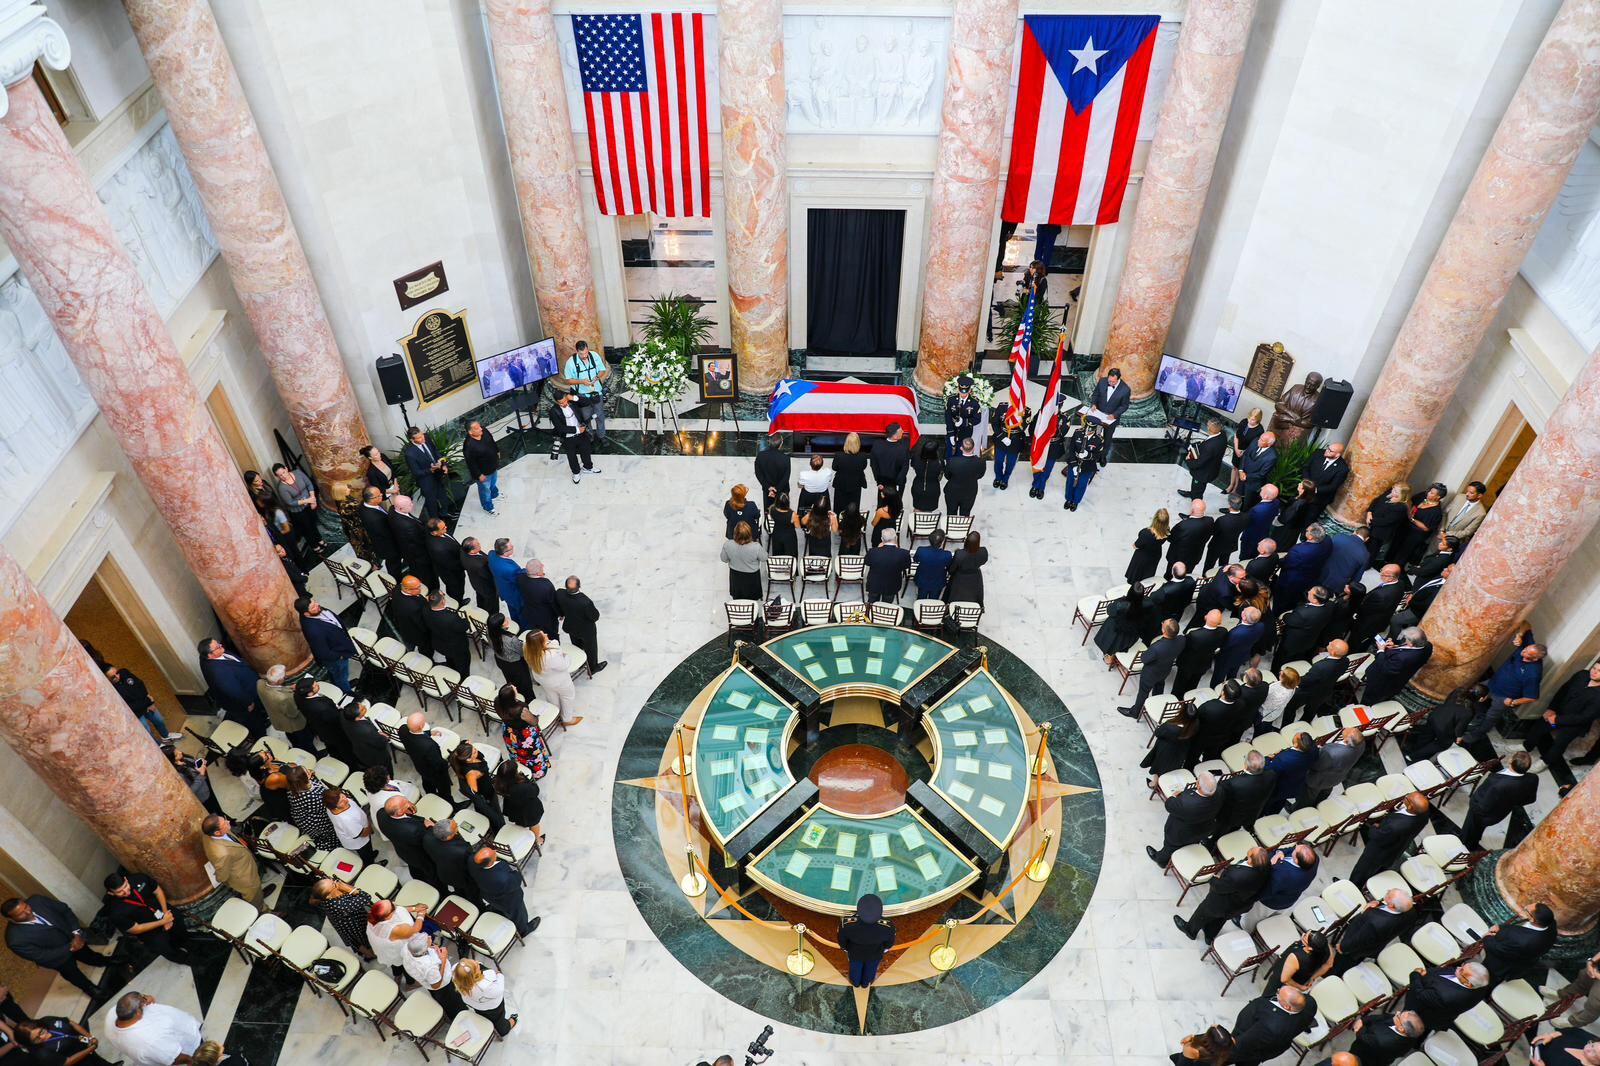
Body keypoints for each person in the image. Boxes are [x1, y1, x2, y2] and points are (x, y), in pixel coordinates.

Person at [2, 896, 110, 998]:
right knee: (73, 974)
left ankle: (102, 961)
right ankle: (89, 988)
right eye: (21, 914)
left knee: (88, 954)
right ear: (11, 919)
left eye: (26, 907)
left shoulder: (38, 900)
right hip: (58, 959)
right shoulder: (15, 940)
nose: (28, 912)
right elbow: (41, 956)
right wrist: (70, 947)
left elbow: (64, 910)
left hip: (73, 937)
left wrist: (76, 933)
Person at [1174, 846, 1270, 943]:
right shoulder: (1265, 867)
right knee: (1220, 918)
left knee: (1202, 913)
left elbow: (1219, 887)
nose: (1250, 849)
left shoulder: (1238, 877)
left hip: (1221, 902)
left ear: (1251, 859)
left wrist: (1213, 878)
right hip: (1238, 905)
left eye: (1250, 852)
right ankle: (1209, 935)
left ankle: (1190, 930)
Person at [1460, 750, 1540, 850]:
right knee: (1477, 831)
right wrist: (1512, 802)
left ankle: (1465, 846)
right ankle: (1473, 840)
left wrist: (1472, 803)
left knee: (1469, 832)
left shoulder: (1497, 784)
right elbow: (1531, 799)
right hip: (1499, 814)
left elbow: (1483, 808)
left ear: (1510, 761)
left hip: (1482, 815)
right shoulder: (1533, 778)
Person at [1348, 793, 1432, 887]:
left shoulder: (1395, 827)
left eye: (1407, 798)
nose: (1405, 797)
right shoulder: (1424, 814)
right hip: (1396, 848)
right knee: (1374, 870)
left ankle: (1352, 887)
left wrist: (1374, 828)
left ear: (1411, 806)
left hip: (1377, 853)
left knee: (1361, 872)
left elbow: (1377, 837)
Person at [1404, 683, 1496, 762]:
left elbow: (1448, 701)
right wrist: (1459, 737)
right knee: (1442, 744)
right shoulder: (1469, 711)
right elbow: (1459, 729)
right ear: (1481, 699)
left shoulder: (1459, 690)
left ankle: (1416, 747)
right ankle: (1413, 756)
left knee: (1427, 734)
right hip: (1444, 727)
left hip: (1435, 715)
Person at [101, 993, 201, 1066]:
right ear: (138, 1013)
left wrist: (145, 998)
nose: (146, 1001)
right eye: (142, 1003)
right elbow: (176, 1058)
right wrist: (190, 1060)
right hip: (193, 1045)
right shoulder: (150, 1041)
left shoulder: (113, 1014)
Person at [1229, 985, 1316, 1066]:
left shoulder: (1270, 1027)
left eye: (1278, 994)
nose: (1276, 991)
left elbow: (1243, 1043)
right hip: (1275, 1043)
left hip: (1250, 1050)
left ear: (1287, 1007)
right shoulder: (1311, 1003)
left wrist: (1229, 1045)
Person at [1147, 771, 1222, 866]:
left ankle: (1161, 860)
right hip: (1204, 829)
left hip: (1180, 834)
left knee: (1169, 846)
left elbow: (1169, 805)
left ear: (1198, 785)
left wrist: (1174, 796)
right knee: (1192, 842)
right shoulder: (1219, 792)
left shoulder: (1186, 803)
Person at [1333, 890, 1415, 974]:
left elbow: (1359, 940)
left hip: (1356, 945)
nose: (1387, 891)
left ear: (1391, 905)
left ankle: (1332, 973)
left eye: (1389, 894)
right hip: (1376, 942)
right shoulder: (1410, 911)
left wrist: (1343, 947)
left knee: (1342, 962)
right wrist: (1379, 904)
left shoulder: (1376, 923)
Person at [98, 660, 178, 743]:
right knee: (147, 730)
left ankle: (166, 736)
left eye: (117, 673)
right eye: (113, 677)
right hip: (135, 712)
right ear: (106, 679)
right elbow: (127, 706)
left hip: (145, 703)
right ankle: (158, 746)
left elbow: (140, 685)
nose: (117, 677)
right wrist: (146, 702)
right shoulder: (110, 690)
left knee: (159, 720)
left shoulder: (124, 673)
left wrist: (149, 703)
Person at [198, 638, 264, 738]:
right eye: (217, 647)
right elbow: (234, 691)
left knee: (258, 713)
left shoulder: (213, 655)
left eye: (219, 644)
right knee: (254, 720)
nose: (221, 646)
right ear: (210, 655)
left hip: (249, 689)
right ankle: (261, 736)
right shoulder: (218, 672)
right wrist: (248, 702)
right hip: (244, 702)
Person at [1120, 619, 1185, 718]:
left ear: (1164, 631)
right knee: (1159, 686)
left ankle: (1135, 712)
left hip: (1150, 674)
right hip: (1165, 670)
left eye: (1163, 623)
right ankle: (1156, 703)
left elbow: (1144, 659)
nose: (1162, 622)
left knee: (1143, 693)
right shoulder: (1181, 640)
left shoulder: (1156, 648)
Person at [470, 848, 540, 938]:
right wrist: (515, 873)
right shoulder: (504, 878)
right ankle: (523, 930)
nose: (495, 850)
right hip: (509, 901)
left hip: (488, 894)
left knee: (497, 906)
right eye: (493, 852)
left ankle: (498, 911)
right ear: (491, 860)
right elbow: (517, 880)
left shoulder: (472, 862)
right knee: (518, 915)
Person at [1405, 960, 1492, 1031]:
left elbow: (1420, 994)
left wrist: (1415, 974)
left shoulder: (1445, 996)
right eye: (1463, 966)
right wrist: (1428, 972)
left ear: (1468, 983)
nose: (1458, 967)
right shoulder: (1481, 985)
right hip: (1441, 1010)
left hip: (1421, 1013)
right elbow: (1443, 972)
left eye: (1462, 971)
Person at [1480, 904, 1558, 982]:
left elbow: (1497, 949)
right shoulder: (1551, 924)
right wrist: (1501, 928)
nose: (1524, 907)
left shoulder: (1522, 941)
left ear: (1532, 920)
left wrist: (1488, 937)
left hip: (1502, 964)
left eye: (1526, 910)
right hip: (1525, 958)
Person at [295, 595, 357, 693]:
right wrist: (340, 656)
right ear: (306, 614)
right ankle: (348, 693)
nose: (317, 605)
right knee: (341, 677)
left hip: (338, 645)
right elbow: (323, 653)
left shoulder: (315, 611)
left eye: (314, 602)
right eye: (313, 606)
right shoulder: (314, 630)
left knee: (338, 676)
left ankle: (344, 685)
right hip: (336, 659)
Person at [199, 815, 264, 906]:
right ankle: (263, 910)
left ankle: (260, 894)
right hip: (245, 878)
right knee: (254, 898)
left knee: (258, 893)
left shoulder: (207, 835)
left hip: (245, 863)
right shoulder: (222, 854)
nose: (228, 822)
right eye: (224, 823)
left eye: (224, 819)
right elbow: (222, 876)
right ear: (217, 833)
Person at [376, 797, 441, 888]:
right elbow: (427, 839)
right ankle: (439, 889)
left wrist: (410, 814)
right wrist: (430, 827)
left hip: (403, 851)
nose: (410, 804)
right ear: (399, 813)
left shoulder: (381, 813)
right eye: (406, 804)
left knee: (414, 868)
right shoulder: (413, 830)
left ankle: (418, 878)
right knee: (431, 872)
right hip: (420, 855)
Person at [525, 630, 582, 727]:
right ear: (540, 643)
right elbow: (565, 665)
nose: (547, 634)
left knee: (551, 696)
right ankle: (567, 719)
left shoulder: (528, 649)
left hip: (543, 679)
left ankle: (555, 714)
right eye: (544, 636)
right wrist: (565, 656)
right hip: (558, 681)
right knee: (568, 696)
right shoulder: (550, 656)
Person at [1361, 627, 1433, 704]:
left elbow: (1385, 669)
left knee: (1368, 701)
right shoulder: (1428, 646)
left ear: (1411, 644)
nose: (1405, 640)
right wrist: (1395, 647)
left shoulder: (1402, 658)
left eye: (1407, 639)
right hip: (1400, 679)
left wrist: (1381, 650)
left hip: (1381, 684)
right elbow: (1407, 650)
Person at [1213, 752, 1278, 837]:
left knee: (1220, 832)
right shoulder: (1271, 775)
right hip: (1252, 813)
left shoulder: (1232, 783)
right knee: (1235, 828)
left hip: (1230, 816)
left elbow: (1221, 799)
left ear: (1246, 765)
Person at [838, 893, 896, 988]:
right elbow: (889, 944)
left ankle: (855, 983)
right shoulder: (888, 926)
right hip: (875, 954)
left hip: (855, 953)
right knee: (871, 969)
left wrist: (846, 949)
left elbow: (842, 942)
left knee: (855, 969)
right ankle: (866, 983)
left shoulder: (847, 924)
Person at [271, 462, 328, 557]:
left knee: (313, 522)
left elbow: (309, 484)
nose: (283, 476)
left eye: (283, 472)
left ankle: (319, 539)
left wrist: (313, 499)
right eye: (279, 475)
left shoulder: (298, 473)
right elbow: (290, 502)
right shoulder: (281, 488)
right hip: (297, 511)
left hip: (309, 504)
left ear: (286, 468)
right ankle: (314, 546)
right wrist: (308, 500)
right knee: (307, 528)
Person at [294, 677, 354, 764]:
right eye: (315, 686)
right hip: (333, 731)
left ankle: (334, 755)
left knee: (330, 745)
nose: (318, 685)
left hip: (318, 726)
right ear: (310, 693)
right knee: (343, 747)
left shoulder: (298, 696)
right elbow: (335, 719)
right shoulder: (322, 708)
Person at [254, 664, 315, 752]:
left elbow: (275, 689)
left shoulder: (260, 683)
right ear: (278, 681)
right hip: (294, 724)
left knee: (292, 737)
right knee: (305, 741)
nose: (285, 676)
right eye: (284, 676)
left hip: (278, 720)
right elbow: (293, 713)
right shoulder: (284, 698)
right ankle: (314, 754)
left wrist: (288, 688)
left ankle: (296, 747)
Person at [404, 932, 467, 1015]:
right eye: (427, 940)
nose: (430, 937)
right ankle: (459, 1015)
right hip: (443, 987)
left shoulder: (408, 949)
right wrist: (443, 959)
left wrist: (431, 949)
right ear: (424, 949)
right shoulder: (429, 967)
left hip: (428, 980)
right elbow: (436, 985)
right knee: (453, 1004)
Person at [1348, 564, 1409, 650]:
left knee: (1356, 640)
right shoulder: (1400, 583)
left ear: (1391, 578)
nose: (1380, 574)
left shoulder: (1380, 595)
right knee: (1367, 639)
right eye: (1381, 570)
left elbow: (1365, 610)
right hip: (1381, 620)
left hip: (1367, 624)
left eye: (1383, 574)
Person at [13, 1015, 114, 1066]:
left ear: (41, 1025)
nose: (43, 1037)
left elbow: (70, 1023)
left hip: (84, 1046)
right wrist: (91, 1048)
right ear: (31, 1044)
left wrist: (89, 1038)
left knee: (100, 1061)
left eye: (41, 1032)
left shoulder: (47, 1020)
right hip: (80, 1062)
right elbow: (67, 1062)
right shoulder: (42, 1054)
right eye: (36, 1039)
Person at [555, 576, 605, 676]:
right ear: (579, 586)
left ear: (565, 586)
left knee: (576, 643)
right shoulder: (585, 602)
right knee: (590, 648)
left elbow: (558, 605)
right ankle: (593, 667)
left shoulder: (559, 593)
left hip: (570, 626)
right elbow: (595, 616)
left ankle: (579, 657)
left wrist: (562, 614)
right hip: (586, 630)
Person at [1302, 728, 1366, 807]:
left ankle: (1297, 809)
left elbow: (1316, 766)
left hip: (1318, 779)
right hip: (1336, 777)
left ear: (1347, 740)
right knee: (1324, 793)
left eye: (1349, 730)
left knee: (1307, 798)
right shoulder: (1361, 744)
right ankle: (1318, 804)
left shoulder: (1330, 753)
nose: (1347, 728)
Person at [454, 958, 518, 1036]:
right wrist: (499, 975)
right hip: (493, 1007)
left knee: (483, 1015)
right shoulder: (485, 985)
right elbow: (499, 989)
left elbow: (459, 969)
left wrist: (473, 967)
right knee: (498, 1019)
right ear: (475, 974)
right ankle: (504, 1029)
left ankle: (486, 1022)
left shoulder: (459, 981)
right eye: (477, 965)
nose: (478, 962)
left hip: (477, 1006)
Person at [366, 898, 429, 977]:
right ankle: (410, 983)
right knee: (405, 965)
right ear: (387, 917)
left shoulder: (373, 917)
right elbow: (415, 929)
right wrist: (421, 915)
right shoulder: (394, 929)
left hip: (385, 949)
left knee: (395, 965)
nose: (394, 904)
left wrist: (414, 908)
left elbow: (398, 909)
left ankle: (397, 976)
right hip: (397, 951)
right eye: (392, 906)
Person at [450, 742, 504, 832]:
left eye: (475, 749)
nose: (477, 751)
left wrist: (470, 747)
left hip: (488, 785)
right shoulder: (471, 773)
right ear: (468, 759)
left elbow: (480, 755)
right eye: (474, 751)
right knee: (495, 815)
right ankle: (498, 829)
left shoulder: (473, 757)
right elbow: (474, 791)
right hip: (486, 794)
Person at [1172, 610, 1228, 696]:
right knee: (1194, 683)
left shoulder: (1194, 635)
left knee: (1180, 684)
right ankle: (1188, 697)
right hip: (1204, 663)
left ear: (1205, 617)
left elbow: (1185, 647)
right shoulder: (1223, 631)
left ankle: (1177, 697)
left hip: (1187, 664)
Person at [387, 494, 436, 590]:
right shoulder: (408, 527)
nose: (412, 505)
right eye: (409, 505)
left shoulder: (393, 510)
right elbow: (418, 543)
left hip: (406, 550)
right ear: (400, 508)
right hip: (418, 556)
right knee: (426, 574)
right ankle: (431, 590)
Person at [1491, 641, 1548, 724]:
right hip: (1493, 683)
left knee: (1490, 717)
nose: (1523, 651)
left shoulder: (1533, 674)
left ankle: (1476, 734)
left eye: (1527, 653)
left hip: (1503, 697)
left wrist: (1513, 702)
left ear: (1535, 659)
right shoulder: (1527, 647)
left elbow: (1532, 697)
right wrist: (1520, 635)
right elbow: (1526, 627)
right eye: (1525, 648)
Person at [563, 340, 609, 439]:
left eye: (586, 353)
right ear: (576, 351)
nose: (584, 356)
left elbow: (602, 370)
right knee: (586, 417)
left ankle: (602, 436)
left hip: (596, 392)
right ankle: (589, 436)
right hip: (582, 395)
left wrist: (596, 378)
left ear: (588, 349)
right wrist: (582, 381)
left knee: (600, 415)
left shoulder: (594, 356)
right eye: (581, 354)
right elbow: (569, 380)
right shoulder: (571, 363)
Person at [549, 391, 599, 483]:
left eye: (565, 401)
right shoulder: (553, 411)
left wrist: (574, 398)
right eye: (561, 403)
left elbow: (587, 402)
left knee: (586, 450)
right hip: (568, 437)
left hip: (581, 433)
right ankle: (576, 472)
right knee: (571, 456)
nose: (564, 404)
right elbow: (560, 428)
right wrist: (576, 430)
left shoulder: (572, 403)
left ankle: (588, 467)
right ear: (556, 402)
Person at [1264, 929, 1333, 995]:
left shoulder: (1296, 957)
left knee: (1270, 993)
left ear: (1310, 948)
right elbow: (1329, 965)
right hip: (1302, 976)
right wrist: (1313, 977)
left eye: (1305, 937)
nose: (1303, 935)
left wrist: (1301, 987)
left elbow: (1284, 979)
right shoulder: (1325, 947)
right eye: (1306, 933)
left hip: (1284, 979)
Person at [1263, 733, 1317, 814]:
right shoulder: (1314, 750)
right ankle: (1274, 812)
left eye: (1295, 736)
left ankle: (1266, 814)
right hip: (1295, 784)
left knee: (1269, 802)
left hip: (1278, 787)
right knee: (1281, 800)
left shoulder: (1284, 759)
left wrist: (1267, 758)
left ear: (1296, 744)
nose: (1295, 734)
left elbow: (1269, 770)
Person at [493, 757, 546, 839]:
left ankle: (523, 835)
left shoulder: (500, 783)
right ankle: (536, 840)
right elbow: (535, 791)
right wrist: (526, 780)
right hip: (528, 810)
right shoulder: (521, 788)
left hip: (514, 809)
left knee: (520, 823)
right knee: (534, 824)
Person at [1211, 607, 1265, 686]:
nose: (1243, 610)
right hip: (1243, 655)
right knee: (1233, 673)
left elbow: (1225, 646)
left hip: (1226, 658)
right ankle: (1230, 684)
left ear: (1244, 617)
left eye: (1244, 611)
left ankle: (1215, 688)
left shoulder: (1235, 633)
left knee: (1218, 676)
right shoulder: (1261, 626)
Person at [1095, 583, 1149, 663]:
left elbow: (1109, 610)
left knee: (1112, 644)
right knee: (1119, 644)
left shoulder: (1121, 605)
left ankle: (1110, 658)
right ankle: (1113, 655)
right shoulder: (1146, 603)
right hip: (1131, 633)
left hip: (1116, 631)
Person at [324, 786, 378, 865]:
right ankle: (371, 865)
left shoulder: (333, 805)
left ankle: (371, 855)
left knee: (368, 851)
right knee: (366, 855)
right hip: (359, 841)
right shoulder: (345, 820)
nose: (345, 799)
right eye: (341, 801)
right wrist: (370, 828)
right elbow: (361, 833)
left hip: (361, 827)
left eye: (342, 796)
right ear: (335, 808)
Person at [1349, 1012, 1426, 1066]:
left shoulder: (1381, 1041)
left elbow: (1363, 1037)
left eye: (1399, 1016)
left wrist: (1358, 1025)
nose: (1397, 1013)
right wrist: (1363, 1020)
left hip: (1364, 1057)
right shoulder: (1411, 1033)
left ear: (1401, 1028)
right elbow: (1383, 1017)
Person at [358, 487, 403, 579]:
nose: (382, 495)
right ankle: (396, 580)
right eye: (379, 495)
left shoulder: (363, 505)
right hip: (387, 546)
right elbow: (386, 535)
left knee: (392, 562)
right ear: (371, 499)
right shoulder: (375, 519)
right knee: (394, 563)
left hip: (380, 540)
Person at [1258, 843, 1320, 911]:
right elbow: (1290, 849)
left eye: (1296, 849)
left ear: (1296, 860)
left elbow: (1265, 891)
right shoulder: (1314, 859)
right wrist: (1279, 852)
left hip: (1274, 901)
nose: (1295, 846)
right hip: (1289, 896)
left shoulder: (1282, 875)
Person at [423, 591, 471, 677]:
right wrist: (465, 620)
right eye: (443, 598)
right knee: (463, 665)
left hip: (440, 643)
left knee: (450, 659)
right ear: (442, 602)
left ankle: (451, 668)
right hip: (457, 647)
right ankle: (463, 679)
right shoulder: (451, 618)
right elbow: (464, 627)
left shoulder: (425, 610)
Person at [1397, 482, 1446, 565]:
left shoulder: (1436, 512)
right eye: (1430, 491)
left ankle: (1397, 567)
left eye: (1432, 493)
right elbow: (1411, 500)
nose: (1428, 493)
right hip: (1405, 527)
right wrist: (1412, 507)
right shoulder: (1423, 496)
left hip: (1416, 535)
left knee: (1404, 552)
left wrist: (1412, 519)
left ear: (1438, 497)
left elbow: (1426, 528)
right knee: (1396, 545)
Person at [487, 612, 535, 697]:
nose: (508, 619)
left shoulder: (490, 632)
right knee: (525, 686)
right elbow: (522, 652)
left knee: (511, 680)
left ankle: (515, 693)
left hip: (500, 660)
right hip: (515, 665)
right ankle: (529, 699)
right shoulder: (511, 639)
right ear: (500, 626)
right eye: (505, 620)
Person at [340, 701, 393, 775]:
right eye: (362, 709)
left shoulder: (343, 715)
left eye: (361, 705)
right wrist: (383, 737)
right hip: (375, 756)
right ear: (357, 718)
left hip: (360, 749)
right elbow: (380, 743)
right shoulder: (367, 731)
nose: (364, 706)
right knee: (386, 770)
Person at [1061, 421, 1105, 510]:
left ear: (1094, 430)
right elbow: (1071, 448)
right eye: (1086, 428)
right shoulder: (1077, 432)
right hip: (1075, 461)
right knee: (1070, 481)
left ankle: (1075, 501)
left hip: (1088, 465)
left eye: (1090, 430)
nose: (1087, 431)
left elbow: (1098, 455)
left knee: (1081, 484)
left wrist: (1088, 455)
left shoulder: (1098, 439)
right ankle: (1069, 499)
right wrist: (1073, 465)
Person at [1165, 500, 1213, 579]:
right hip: (1195, 556)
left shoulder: (1183, 526)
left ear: (1192, 510)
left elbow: (1171, 538)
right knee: (1187, 574)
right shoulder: (1210, 520)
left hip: (1177, 557)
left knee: (1169, 575)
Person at [1553, 950, 1600, 1029]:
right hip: (1597, 968)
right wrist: (1591, 961)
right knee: (1583, 979)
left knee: (1595, 1004)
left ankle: (1576, 1021)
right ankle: (1564, 994)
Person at [1088, 368, 1130, 456]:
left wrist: (1114, 415)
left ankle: (1103, 456)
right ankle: (1092, 453)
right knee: (1095, 434)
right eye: (1109, 381)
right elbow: (1096, 394)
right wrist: (1094, 404)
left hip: (1111, 418)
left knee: (1107, 438)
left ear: (1118, 379)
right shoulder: (1102, 381)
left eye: (1113, 382)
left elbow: (1124, 406)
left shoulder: (1125, 389)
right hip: (1098, 414)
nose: (1110, 383)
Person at [1182, 418, 1227, 500]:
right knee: (1196, 487)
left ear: (1211, 429)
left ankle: (1196, 506)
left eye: (1208, 425)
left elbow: (1199, 463)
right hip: (1212, 468)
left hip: (1203, 473)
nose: (1207, 427)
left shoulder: (1210, 446)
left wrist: (1188, 460)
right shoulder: (1222, 435)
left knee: (1198, 492)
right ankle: (1192, 493)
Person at [462, 420, 501, 516]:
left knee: (493, 482)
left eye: (480, 426)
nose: (480, 428)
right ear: (470, 432)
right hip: (483, 473)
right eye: (477, 428)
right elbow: (471, 463)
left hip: (492, 466)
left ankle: (495, 495)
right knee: (485, 490)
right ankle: (488, 507)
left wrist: (497, 450)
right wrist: (479, 475)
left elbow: (492, 441)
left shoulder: (484, 431)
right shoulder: (468, 445)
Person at [387, 575, 433, 655]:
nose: (420, 589)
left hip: (403, 624)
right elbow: (421, 624)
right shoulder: (414, 608)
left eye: (419, 586)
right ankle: (428, 658)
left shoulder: (397, 588)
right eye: (417, 588)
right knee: (425, 647)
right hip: (416, 632)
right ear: (407, 590)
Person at [721, 522, 766, 600]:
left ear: (735, 533)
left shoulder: (728, 545)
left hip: (736, 576)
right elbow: (764, 558)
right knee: (753, 599)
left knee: (737, 597)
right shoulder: (756, 547)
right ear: (749, 534)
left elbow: (724, 559)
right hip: (752, 577)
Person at [871, 422, 912, 508]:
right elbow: (905, 467)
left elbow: (874, 465)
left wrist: (879, 482)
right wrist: (897, 483)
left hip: (882, 483)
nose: (903, 431)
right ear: (895, 436)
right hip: (896, 484)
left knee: (882, 506)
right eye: (901, 431)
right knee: (895, 507)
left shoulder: (877, 445)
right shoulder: (903, 447)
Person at [1303, 441, 1349, 518]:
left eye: (1330, 450)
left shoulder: (1342, 468)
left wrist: (1314, 489)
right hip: (1304, 490)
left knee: (1307, 519)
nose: (1326, 450)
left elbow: (1333, 486)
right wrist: (1307, 484)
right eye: (1328, 447)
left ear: (1337, 454)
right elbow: (1306, 468)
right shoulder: (1318, 453)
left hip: (1319, 500)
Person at [1205, 495, 1251, 572]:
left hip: (1216, 546)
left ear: (1229, 506)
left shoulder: (1222, 520)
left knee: (1209, 565)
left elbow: (1214, 532)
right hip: (1231, 544)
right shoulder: (1246, 517)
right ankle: (1222, 575)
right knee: (1224, 564)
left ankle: (1205, 579)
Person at [517, 560, 561, 640]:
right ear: (537, 573)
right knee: (551, 635)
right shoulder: (546, 585)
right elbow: (553, 603)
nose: (543, 566)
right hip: (546, 617)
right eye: (541, 567)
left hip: (530, 613)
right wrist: (560, 613)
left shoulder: (521, 578)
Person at [1320, 525, 1372, 594]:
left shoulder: (1339, 536)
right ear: (1367, 539)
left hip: (1321, 572)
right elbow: (1357, 576)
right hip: (1338, 583)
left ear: (1355, 532)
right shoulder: (1365, 554)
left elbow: (1323, 551)